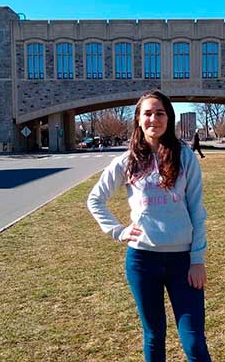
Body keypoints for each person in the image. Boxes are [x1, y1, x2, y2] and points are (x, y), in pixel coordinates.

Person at [87, 90, 211, 362]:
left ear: (169, 118)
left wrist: (197, 259)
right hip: (142, 261)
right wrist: (118, 231)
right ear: (138, 119)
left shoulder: (185, 157)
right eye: (148, 113)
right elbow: (95, 199)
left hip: (183, 262)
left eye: (160, 113)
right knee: (154, 336)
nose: (154, 118)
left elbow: (196, 210)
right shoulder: (127, 161)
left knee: (194, 342)